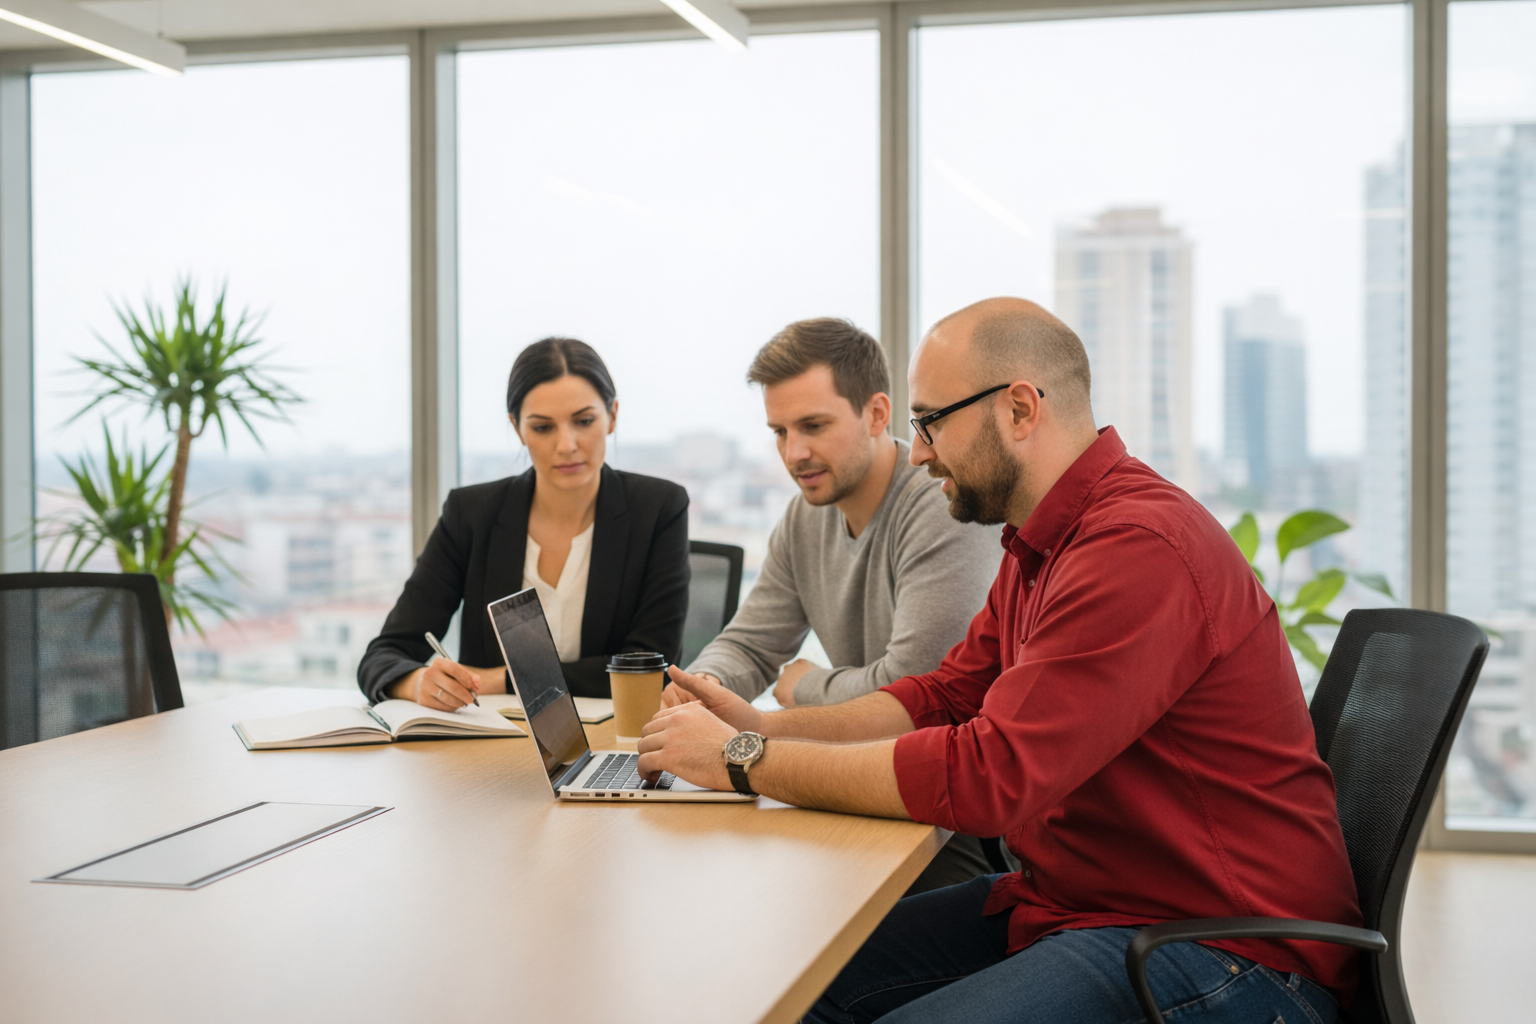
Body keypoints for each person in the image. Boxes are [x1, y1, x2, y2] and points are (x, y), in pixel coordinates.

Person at [637, 298, 1363, 1023]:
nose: (918, 453)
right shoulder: (1040, 544)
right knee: (795, 979)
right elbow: (943, 697)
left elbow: (990, 776)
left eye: (932, 423)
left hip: (1226, 950)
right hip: (1079, 905)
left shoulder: (1137, 546)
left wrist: (741, 756)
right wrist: (765, 727)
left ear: (1019, 410)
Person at [665, 317, 1002, 892]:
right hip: (850, 787)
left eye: (813, 426)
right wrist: (703, 688)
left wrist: (807, 686)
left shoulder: (939, 503)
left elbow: (917, 684)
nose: (794, 453)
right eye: (779, 431)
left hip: (945, 824)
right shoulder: (806, 515)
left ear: (876, 414)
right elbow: (752, 640)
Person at [358, 337, 689, 709]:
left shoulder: (658, 508)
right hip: (493, 745)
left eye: (583, 421)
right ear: (517, 427)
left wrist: (499, 679)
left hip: (616, 743)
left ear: (612, 415)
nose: (566, 445)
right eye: (543, 428)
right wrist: (419, 681)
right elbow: (383, 656)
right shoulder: (471, 513)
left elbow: (649, 668)